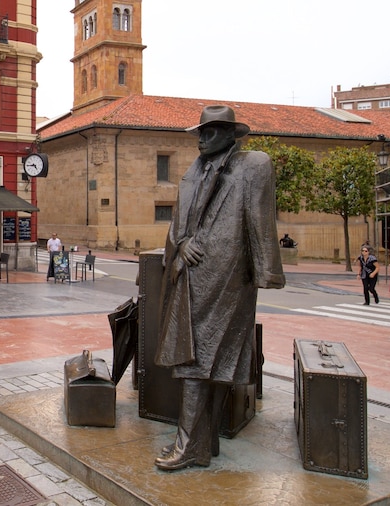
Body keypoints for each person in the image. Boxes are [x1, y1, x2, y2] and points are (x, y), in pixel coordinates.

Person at [155, 105, 285, 471]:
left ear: (231, 135)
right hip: (191, 273)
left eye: (211, 132)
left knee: (199, 359)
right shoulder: (192, 172)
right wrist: (181, 243)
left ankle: (187, 447)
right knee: (197, 357)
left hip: (228, 275)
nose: (202, 138)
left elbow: (261, 220)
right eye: (201, 131)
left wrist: (266, 272)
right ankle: (200, 445)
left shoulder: (252, 165)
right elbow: (176, 222)